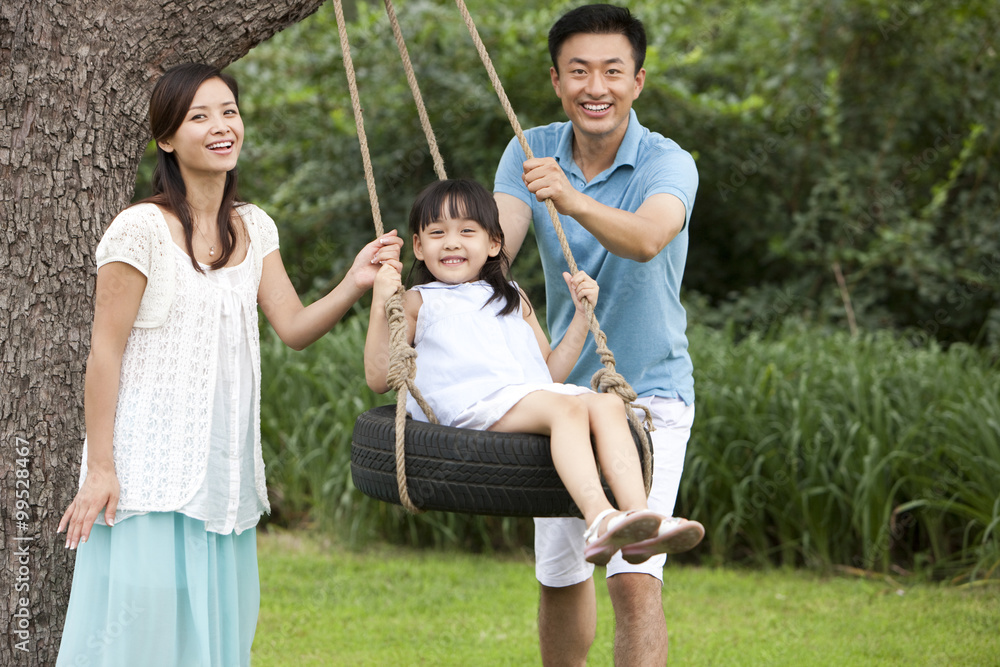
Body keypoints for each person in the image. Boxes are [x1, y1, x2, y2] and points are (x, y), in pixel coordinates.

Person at [55, 63, 403, 666]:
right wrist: (102, 469)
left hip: (224, 480)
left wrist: (354, 280)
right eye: (199, 117)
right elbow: (104, 353)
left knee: (215, 643)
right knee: (140, 642)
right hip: (147, 479)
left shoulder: (255, 227)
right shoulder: (139, 229)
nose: (221, 127)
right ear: (166, 138)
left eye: (229, 112)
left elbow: (293, 329)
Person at [492, 4, 700, 665]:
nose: (596, 87)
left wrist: (573, 198)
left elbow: (646, 238)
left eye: (613, 70)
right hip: (565, 404)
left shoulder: (669, 163)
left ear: (638, 81)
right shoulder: (529, 151)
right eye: (579, 71)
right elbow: (494, 254)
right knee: (561, 575)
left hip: (653, 396)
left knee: (635, 576)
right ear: (556, 79)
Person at [365, 178, 702, 568]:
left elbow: (549, 372)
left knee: (608, 404)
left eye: (467, 232)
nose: (452, 242)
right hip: (469, 408)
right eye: (437, 232)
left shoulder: (511, 296)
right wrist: (379, 302)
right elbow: (378, 378)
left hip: (524, 397)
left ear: (494, 243)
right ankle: (598, 517)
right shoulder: (417, 301)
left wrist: (581, 317)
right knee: (567, 409)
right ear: (419, 247)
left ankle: (641, 519)